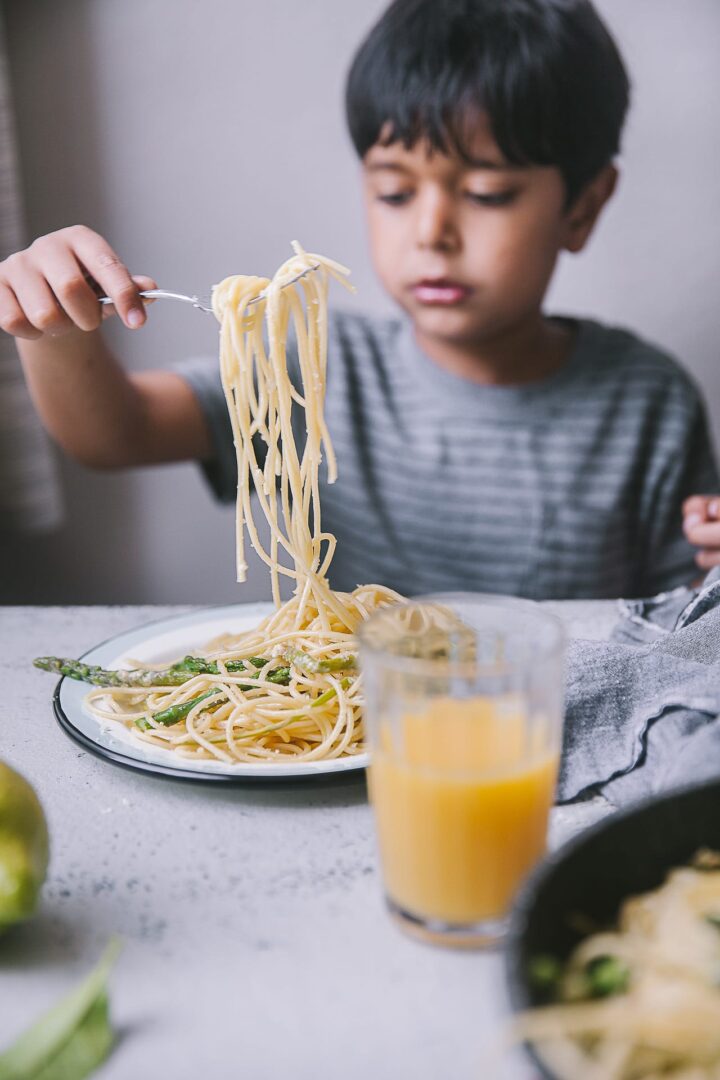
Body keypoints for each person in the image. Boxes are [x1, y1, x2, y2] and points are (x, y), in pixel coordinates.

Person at [0, 0, 717, 600]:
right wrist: (53, 326)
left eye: (487, 193)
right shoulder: (314, 370)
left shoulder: (647, 402)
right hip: (354, 717)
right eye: (395, 192)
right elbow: (115, 434)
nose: (431, 232)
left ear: (583, 208)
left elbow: (682, 619)